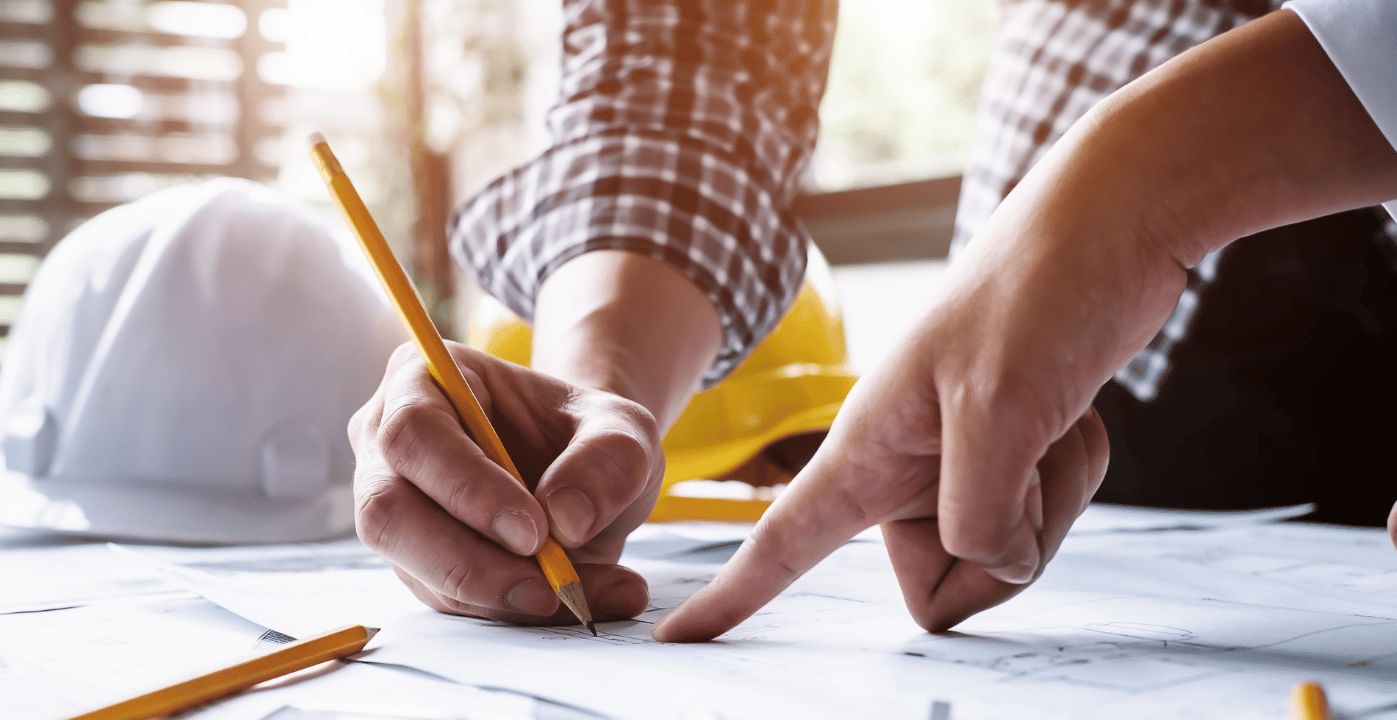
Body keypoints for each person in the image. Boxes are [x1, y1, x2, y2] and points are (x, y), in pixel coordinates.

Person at [348, 0, 1397, 639]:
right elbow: (690, 55)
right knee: (985, 521)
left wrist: (1135, 185)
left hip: (1101, 239)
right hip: (1068, 345)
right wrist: (601, 388)